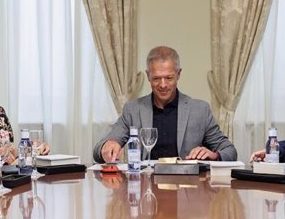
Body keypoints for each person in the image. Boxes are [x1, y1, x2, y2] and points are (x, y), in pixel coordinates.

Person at [93, 46, 237, 163]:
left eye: (169, 78)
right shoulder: (133, 110)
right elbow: (98, 150)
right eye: (156, 78)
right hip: (146, 188)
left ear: (178, 74)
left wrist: (214, 155)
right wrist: (108, 146)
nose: (163, 85)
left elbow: (230, 151)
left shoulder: (200, 110)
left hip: (188, 191)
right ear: (148, 75)